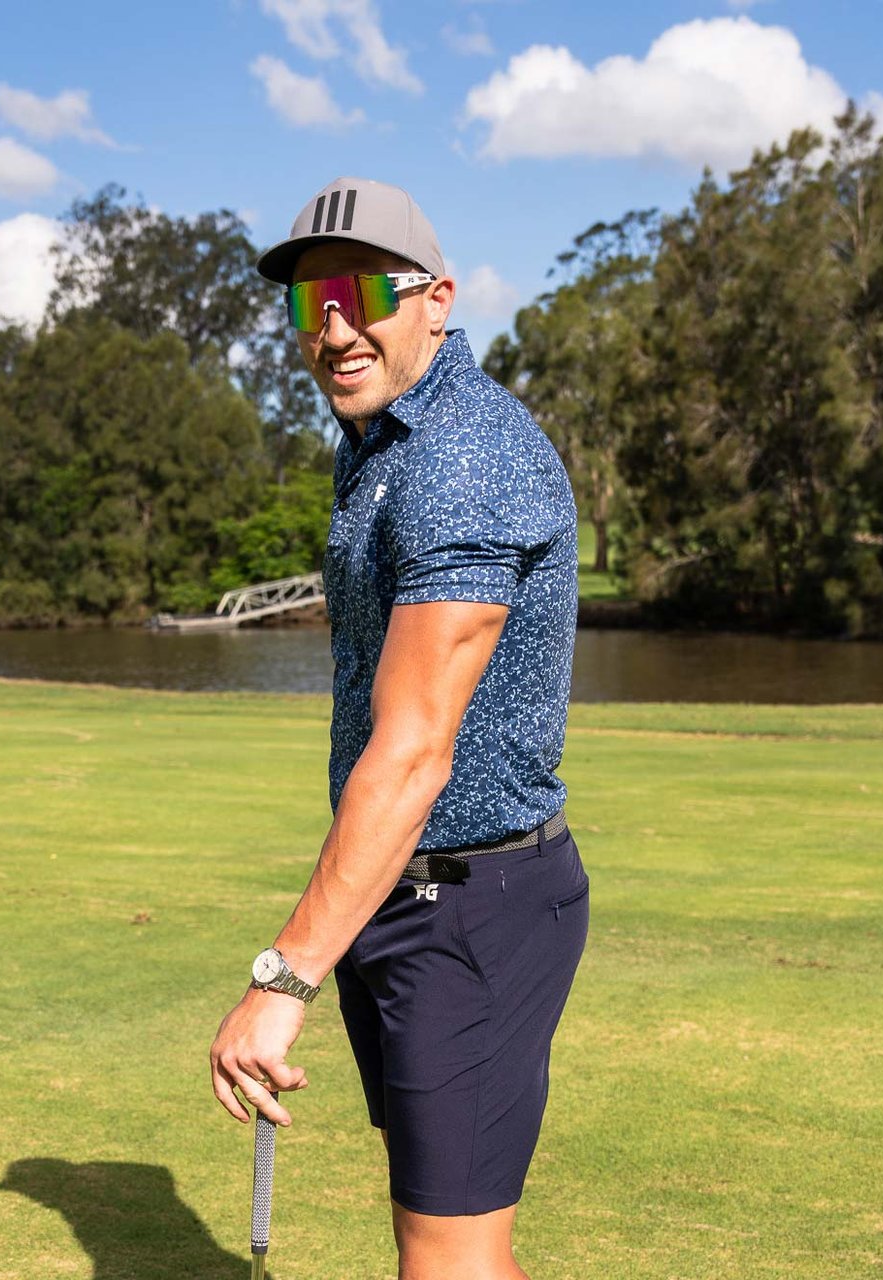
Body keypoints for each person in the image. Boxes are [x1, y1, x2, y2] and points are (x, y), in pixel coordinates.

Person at [210, 176, 588, 1280]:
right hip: (415, 898)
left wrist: (282, 981)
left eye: (361, 291)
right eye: (308, 303)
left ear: (436, 297)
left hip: (470, 912)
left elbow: (415, 746)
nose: (332, 327)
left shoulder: (459, 457)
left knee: (448, 1260)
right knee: (445, 1241)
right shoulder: (381, 442)